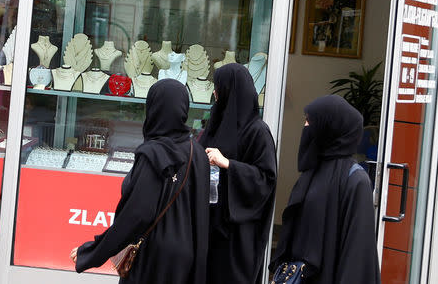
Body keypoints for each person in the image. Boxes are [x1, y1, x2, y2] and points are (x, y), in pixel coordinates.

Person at [70, 79, 210, 284]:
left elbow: (136, 215)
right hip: (186, 257)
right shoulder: (197, 152)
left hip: (154, 258)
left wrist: (92, 252)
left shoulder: (153, 153)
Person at [270, 95, 381, 284]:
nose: (305, 127)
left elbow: (357, 254)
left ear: (329, 128)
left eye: (310, 121)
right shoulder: (313, 171)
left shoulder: (355, 180)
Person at [199, 63, 277, 283]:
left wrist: (229, 165)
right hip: (208, 226)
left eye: (219, 87)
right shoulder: (215, 124)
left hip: (236, 235)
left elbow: (266, 179)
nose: (215, 93)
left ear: (230, 91)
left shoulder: (257, 131)